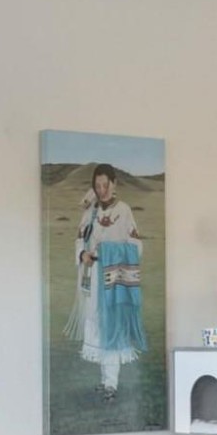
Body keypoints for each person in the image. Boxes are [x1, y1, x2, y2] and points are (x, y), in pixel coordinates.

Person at [68, 164, 146, 396]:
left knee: (112, 325)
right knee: (97, 322)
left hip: (114, 278)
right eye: (97, 185)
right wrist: (83, 255)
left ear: (114, 184)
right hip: (93, 277)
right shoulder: (89, 212)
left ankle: (112, 383)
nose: (101, 190)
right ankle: (104, 381)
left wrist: (109, 251)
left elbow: (136, 246)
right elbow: (80, 240)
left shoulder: (123, 211)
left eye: (106, 184)